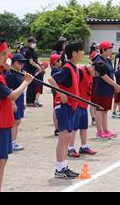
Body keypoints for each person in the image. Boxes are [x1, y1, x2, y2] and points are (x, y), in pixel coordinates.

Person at [0, 39, 33, 192]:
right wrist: (26, 82)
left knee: (2, 160)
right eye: (2, 55)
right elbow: (12, 95)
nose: (6, 57)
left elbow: (7, 97)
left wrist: (6, 64)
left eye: (7, 54)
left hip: (3, 123)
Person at [48, 42, 84, 179]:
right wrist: (61, 93)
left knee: (67, 137)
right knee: (63, 137)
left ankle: (64, 166)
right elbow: (51, 79)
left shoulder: (75, 68)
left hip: (71, 106)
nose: (83, 53)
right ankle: (59, 169)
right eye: (81, 51)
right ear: (74, 53)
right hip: (63, 106)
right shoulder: (67, 68)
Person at [67, 63, 99, 158]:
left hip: (84, 104)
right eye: (96, 73)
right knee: (73, 127)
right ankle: (70, 148)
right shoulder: (80, 71)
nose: (95, 76)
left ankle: (83, 146)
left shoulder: (90, 73)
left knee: (84, 127)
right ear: (93, 68)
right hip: (77, 104)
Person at [93, 41, 120, 139]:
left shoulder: (107, 60)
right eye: (110, 48)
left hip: (108, 88)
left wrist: (114, 85)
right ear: (104, 49)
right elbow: (103, 76)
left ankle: (105, 130)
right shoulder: (99, 60)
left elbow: (111, 74)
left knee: (105, 110)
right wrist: (115, 85)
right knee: (100, 110)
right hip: (101, 88)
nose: (111, 50)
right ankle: (99, 131)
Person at [5, 53, 29, 151]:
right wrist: (13, 103)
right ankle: (12, 142)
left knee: (17, 121)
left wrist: (23, 102)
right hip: (14, 99)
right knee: (14, 121)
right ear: (14, 63)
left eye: (23, 63)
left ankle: (12, 141)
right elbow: (10, 90)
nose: (22, 65)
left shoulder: (18, 73)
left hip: (19, 99)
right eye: (20, 62)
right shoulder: (10, 74)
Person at [23, 37, 43, 107]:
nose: (34, 44)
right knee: (30, 86)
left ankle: (34, 101)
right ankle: (29, 101)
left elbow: (36, 60)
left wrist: (41, 66)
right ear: (29, 43)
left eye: (35, 42)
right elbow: (30, 61)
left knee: (35, 85)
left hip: (34, 70)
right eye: (33, 42)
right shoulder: (28, 51)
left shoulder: (34, 51)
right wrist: (38, 67)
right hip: (29, 70)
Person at [49, 53, 62, 136]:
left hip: (56, 90)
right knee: (56, 108)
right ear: (55, 62)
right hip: (56, 90)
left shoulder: (56, 69)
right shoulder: (55, 70)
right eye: (59, 60)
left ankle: (58, 127)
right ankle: (57, 128)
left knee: (56, 107)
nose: (61, 62)